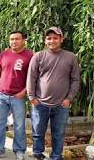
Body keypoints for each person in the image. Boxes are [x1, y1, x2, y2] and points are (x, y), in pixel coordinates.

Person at [27, 27, 80, 160]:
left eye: (55, 38)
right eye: (49, 38)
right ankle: (38, 154)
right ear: (45, 41)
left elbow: (75, 79)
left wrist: (69, 98)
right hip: (40, 103)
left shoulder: (71, 57)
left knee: (59, 133)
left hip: (61, 105)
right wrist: (32, 97)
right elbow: (31, 77)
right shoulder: (38, 56)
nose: (52, 41)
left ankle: (56, 156)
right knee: (38, 132)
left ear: (61, 39)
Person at [0, 31, 33, 160]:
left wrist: (24, 92)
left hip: (18, 96)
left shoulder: (29, 56)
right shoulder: (4, 54)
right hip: (1, 95)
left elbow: (33, 77)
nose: (14, 41)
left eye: (17, 39)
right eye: (12, 39)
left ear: (23, 40)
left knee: (19, 125)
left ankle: (19, 151)